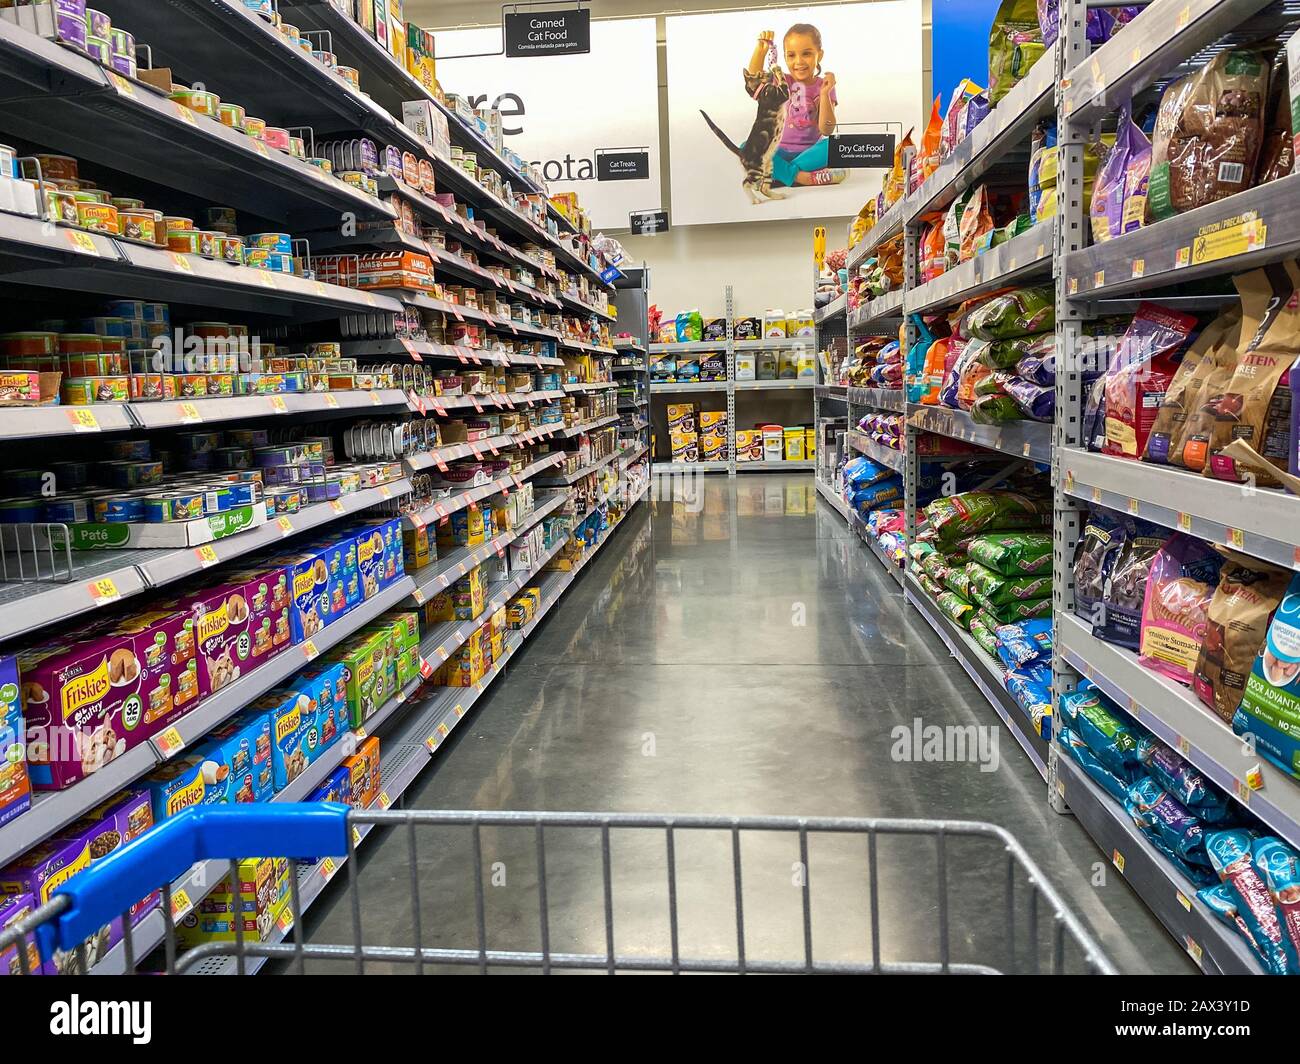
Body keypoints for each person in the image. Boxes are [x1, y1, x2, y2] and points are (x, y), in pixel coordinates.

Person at [747, 24, 846, 188]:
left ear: (819, 55)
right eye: (791, 55)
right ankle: (802, 177)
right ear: (784, 57)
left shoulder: (824, 85)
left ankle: (779, 174)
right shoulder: (780, 81)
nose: (799, 61)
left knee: (835, 145)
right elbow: (754, 79)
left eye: (806, 54)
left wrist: (824, 94)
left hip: (810, 153)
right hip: (778, 151)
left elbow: (826, 130)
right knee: (747, 146)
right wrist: (761, 50)